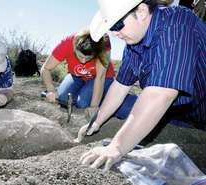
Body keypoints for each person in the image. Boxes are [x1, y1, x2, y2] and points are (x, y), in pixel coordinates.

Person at [78, 0, 206, 172]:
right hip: (179, 116)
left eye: (117, 25)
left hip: (201, 113)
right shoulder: (134, 44)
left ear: (142, 11)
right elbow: (120, 85)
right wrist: (96, 122)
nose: (115, 34)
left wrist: (116, 147)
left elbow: (161, 94)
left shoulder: (178, 23)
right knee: (126, 110)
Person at [41, 29, 136, 119]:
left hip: (100, 78)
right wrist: (51, 90)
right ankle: (79, 92)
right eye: (80, 56)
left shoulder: (103, 45)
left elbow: (100, 78)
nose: (83, 61)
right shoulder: (67, 43)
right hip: (76, 76)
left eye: (88, 58)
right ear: (74, 47)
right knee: (62, 98)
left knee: (82, 103)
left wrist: (94, 106)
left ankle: (114, 98)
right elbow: (45, 69)